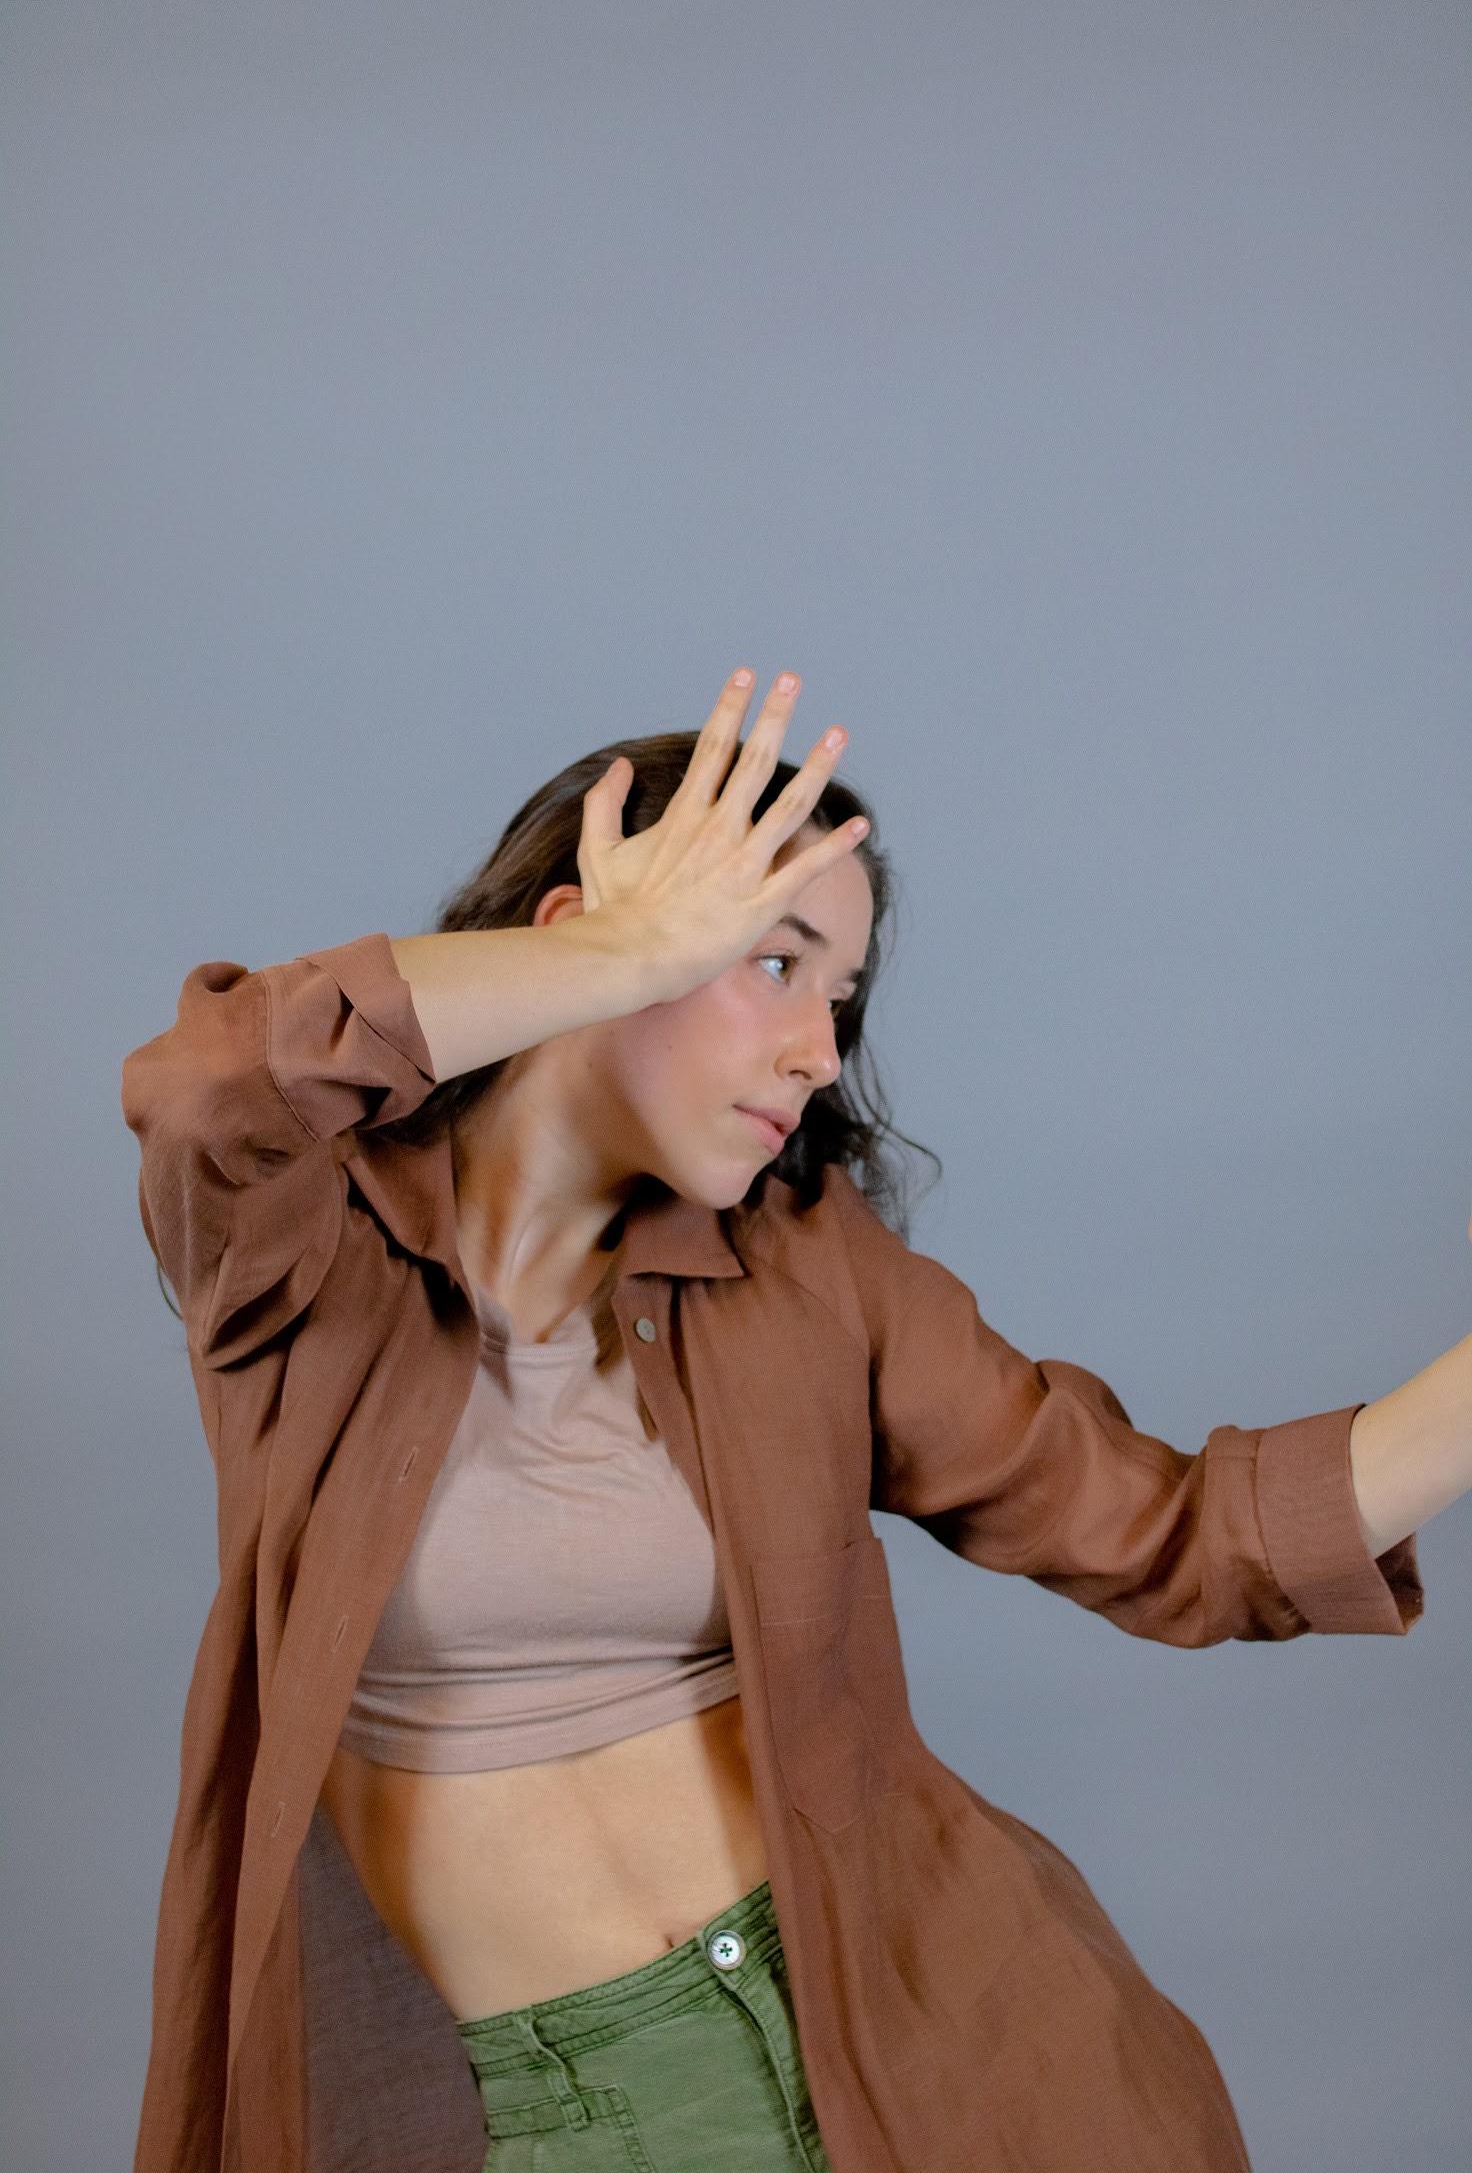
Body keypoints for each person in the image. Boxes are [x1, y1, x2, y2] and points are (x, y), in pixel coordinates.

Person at [122, 668, 1425, 2173]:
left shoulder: (804, 1273)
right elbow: (216, 1082)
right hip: (593, 2108)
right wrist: (628, 952)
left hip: (928, 2046)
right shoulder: (305, 1254)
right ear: (589, 940)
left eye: (844, 998)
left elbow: (1193, 1535)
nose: (820, 1051)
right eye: (778, 962)